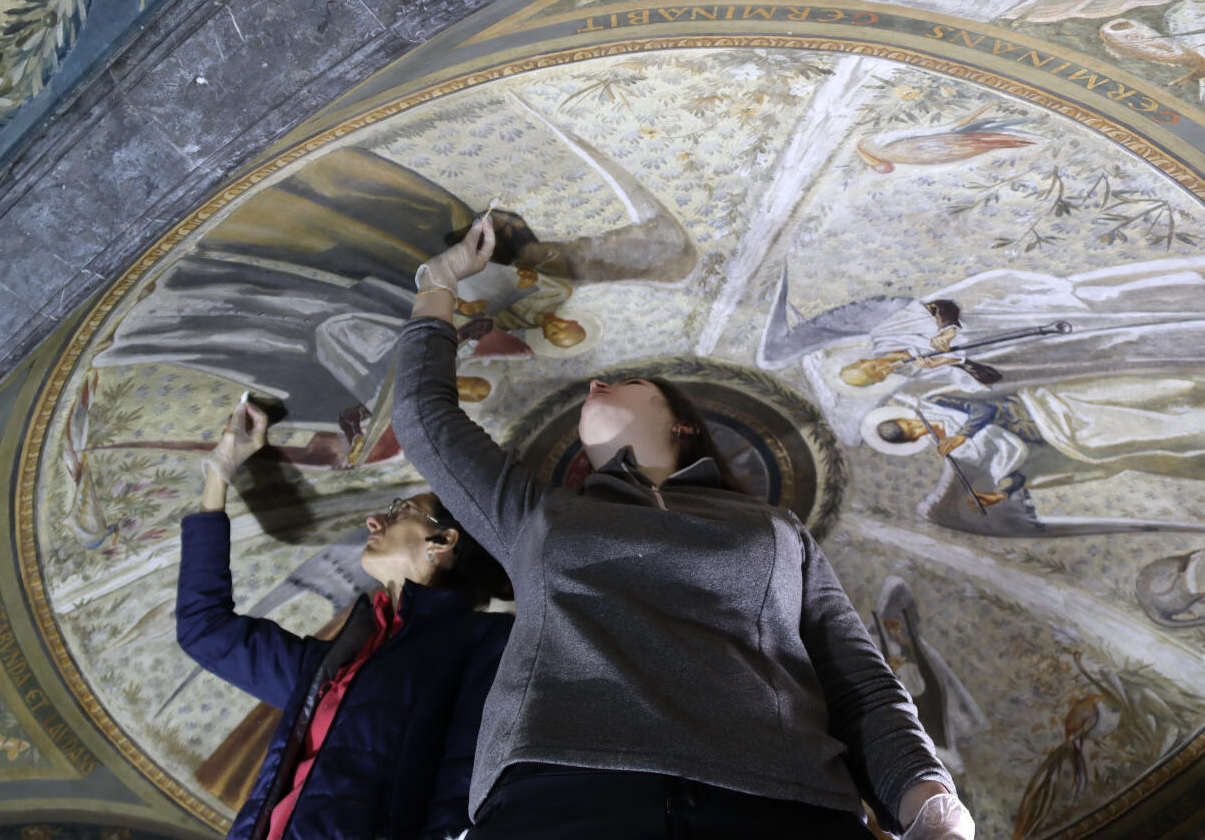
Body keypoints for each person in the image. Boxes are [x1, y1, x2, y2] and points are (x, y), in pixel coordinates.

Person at [392, 218, 975, 839]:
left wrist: (929, 800)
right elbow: (425, 417)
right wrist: (438, 281)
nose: (596, 382)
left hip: (785, 801)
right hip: (562, 789)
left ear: (684, 425)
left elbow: (857, 679)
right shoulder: (537, 514)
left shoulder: (776, 529)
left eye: (626, 382)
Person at [176, 398, 514, 840]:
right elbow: (205, 629)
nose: (374, 520)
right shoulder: (338, 658)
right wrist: (220, 472)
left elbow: (465, 792)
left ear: (444, 539)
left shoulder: (487, 643)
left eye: (399, 511)